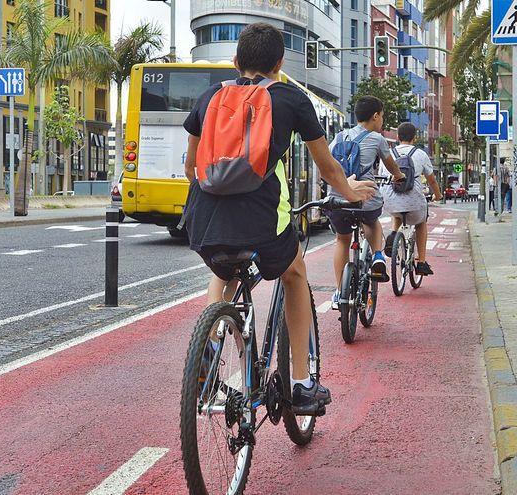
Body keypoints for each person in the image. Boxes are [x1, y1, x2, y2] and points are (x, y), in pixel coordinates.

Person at [182, 23, 376, 414]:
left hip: (204, 223)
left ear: (235, 62)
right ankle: (302, 382)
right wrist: (352, 192)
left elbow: (191, 169)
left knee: (222, 270)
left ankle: (210, 345)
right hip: (262, 222)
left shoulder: (208, 98)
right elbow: (329, 168)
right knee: (295, 273)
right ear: (280, 62)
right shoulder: (290, 98)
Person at [327, 96, 405, 308]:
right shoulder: (377, 139)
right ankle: (378, 256)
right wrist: (399, 176)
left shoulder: (340, 136)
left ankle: (339, 292)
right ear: (376, 116)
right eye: (382, 116)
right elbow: (391, 165)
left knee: (342, 240)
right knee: (372, 221)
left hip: (339, 198)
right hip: (365, 198)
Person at [381, 122, 444, 275]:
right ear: (414, 138)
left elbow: (384, 177)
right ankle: (421, 263)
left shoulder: (389, 153)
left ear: (397, 137)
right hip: (414, 201)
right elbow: (432, 180)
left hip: (390, 200)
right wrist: (438, 195)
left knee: (397, 212)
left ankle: (394, 235)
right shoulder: (420, 154)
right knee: (421, 223)